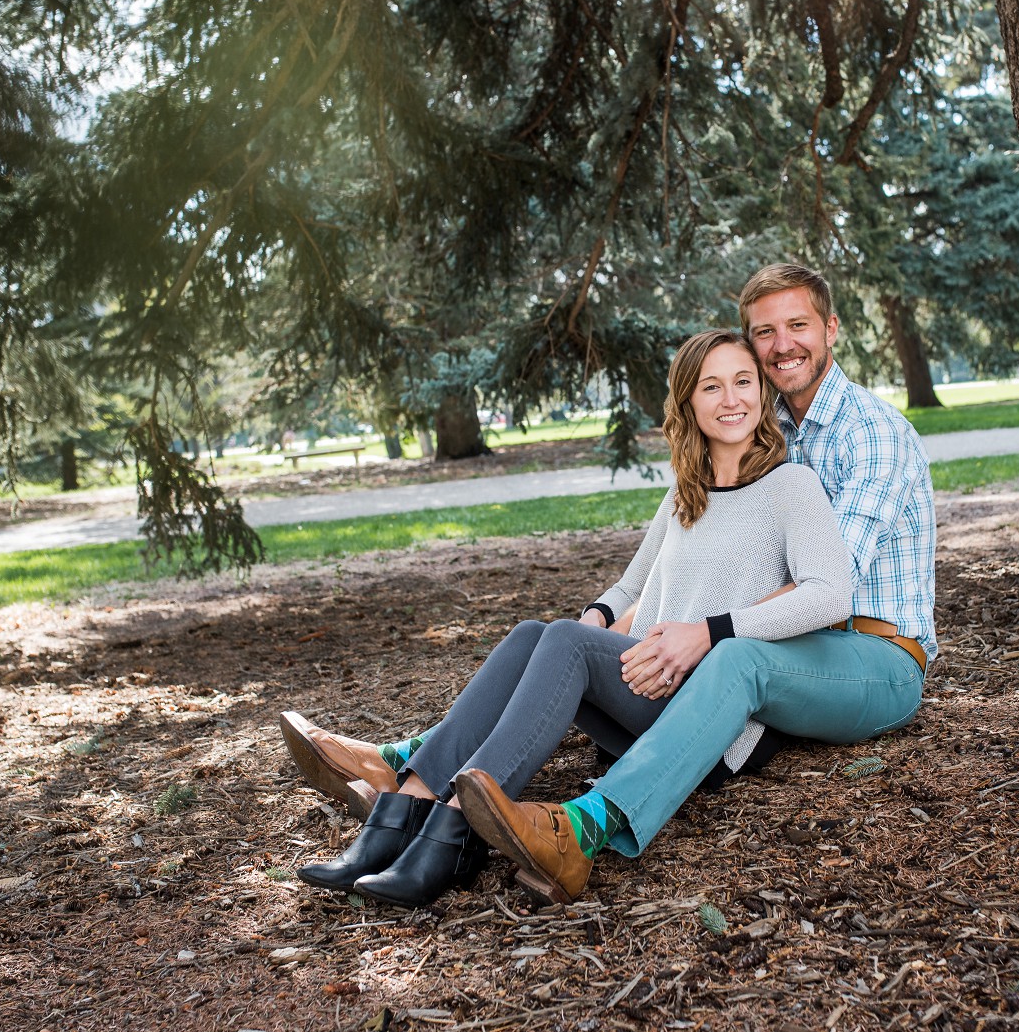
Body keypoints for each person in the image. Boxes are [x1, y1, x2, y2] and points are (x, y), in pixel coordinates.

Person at [278, 327, 853, 907]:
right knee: (540, 634)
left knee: (566, 644)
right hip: (649, 681)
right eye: (711, 387)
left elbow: (831, 593)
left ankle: (451, 832)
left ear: (761, 392)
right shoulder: (687, 491)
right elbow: (631, 584)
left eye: (743, 382)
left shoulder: (791, 487)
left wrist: (709, 632)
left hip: (714, 719)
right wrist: (595, 617)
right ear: (687, 402)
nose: (731, 400)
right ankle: (410, 806)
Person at [453, 262, 936, 902]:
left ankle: (583, 829)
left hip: (876, 655)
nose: (782, 344)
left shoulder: (869, 434)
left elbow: (822, 590)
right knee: (562, 639)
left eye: (798, 325)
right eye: (765, 332)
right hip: (786, 654)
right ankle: (427, 774)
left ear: (831, 329)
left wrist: (696, 636)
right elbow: (702, 565)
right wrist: (639, 637)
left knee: (735, 655)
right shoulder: (769, 431)